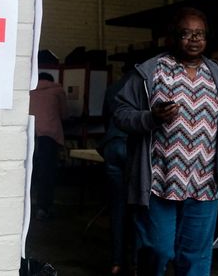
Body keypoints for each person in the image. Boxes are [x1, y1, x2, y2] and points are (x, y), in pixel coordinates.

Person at [113, 8, 218, 276]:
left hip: (205, 181)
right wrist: (150, 118)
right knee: (158, 249)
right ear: (173, 37)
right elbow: (120, 113)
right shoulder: (152, 71)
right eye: (186, 33)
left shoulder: (216, 74)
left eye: (199, 34)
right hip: (159, 181)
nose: (193, 39)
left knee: (196, 257)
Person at [100, 62, 135, 275]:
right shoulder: (145, 85)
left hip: (112, 146)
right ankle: (134, 261)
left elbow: (107, 119)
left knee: (118, 206)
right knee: (138, 207)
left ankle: (116, 262)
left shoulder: (113, 87)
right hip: (132, 147)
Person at [29, 71, 69, 220]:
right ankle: (43, 208)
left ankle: (25, 206)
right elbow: (64, 114)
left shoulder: (30, 91)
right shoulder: (58, 91)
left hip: (31, 134)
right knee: (47, 174)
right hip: (49, 136)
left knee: (31, 172)